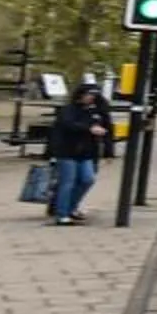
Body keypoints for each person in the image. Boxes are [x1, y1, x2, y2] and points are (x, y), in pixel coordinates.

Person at [44, 84, 108, 225]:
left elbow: (104, 123)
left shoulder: (94, 111)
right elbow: (68, 125)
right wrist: (89, 128)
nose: (91, 98)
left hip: (86, 152)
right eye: (89, 94)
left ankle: (70, 207)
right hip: (67, 151)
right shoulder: (69, 110)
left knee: (87, 179)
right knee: (68, 182)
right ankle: (62, 213)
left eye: (93, 95)